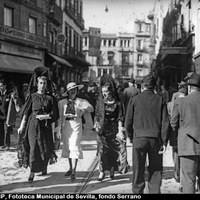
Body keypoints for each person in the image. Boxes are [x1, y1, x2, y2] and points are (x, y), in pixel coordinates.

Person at [125, 74, 170, 194]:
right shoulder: (160, 100)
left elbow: (128, 122)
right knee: (155, 170)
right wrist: (164, 141)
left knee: (138, 169)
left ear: (142, 86)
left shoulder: (134, 100)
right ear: (154, 86)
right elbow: (165, 123)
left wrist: (130, 137)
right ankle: (154, 191)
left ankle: (137, 192)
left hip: (139, 139)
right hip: (155, 140)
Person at [17, 66, 59, 182]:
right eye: (41, 83)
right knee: (33, 147)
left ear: (47, 84)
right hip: (33, 125)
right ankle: (32, 172)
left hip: (45, 126)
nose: (43, 85)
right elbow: (26, 112)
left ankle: (44, 167)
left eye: (45, 83)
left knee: (45, 147)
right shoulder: (32, 96)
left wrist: (52, 122)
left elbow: (54, 114)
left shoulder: (50, 98)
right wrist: (22, 125)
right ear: (37, 83)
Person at [94, 74, 128, 181]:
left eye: (106, 91)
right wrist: (96, 123)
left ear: (111, 91)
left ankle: (112, 169)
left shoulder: (117, 103)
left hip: (113, 129)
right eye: (102, 91)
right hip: (102, 130)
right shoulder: (100, 103)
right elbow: (97, 115)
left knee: (113, 152)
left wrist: (120, 130)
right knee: (101, 151)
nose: (104, 94)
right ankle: (101, 172)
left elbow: (120, 117)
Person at [57, 82, 94, 180]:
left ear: (77, 91)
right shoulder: (62, 103)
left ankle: (74, 170)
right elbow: (60, 116)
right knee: (68, 146)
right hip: (66, 125)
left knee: (75, 146)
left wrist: (84, 109)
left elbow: (91, 108)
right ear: (68, 92)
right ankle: (70, 168)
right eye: (71, 90)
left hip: (76, 124)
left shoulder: (81, 101)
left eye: (75, 89)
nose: (73, 91)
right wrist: (58, 128)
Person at [171, 73, 200, 193]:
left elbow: (173, 123)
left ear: (188, 87)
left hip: (187, 146)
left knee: (188, 180)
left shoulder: (180, 102)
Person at [167, 81, 187, 190]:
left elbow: (169, 121)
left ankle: (177, 173)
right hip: (185, 134)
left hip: (174, 133)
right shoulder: (187, 102)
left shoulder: (170, 105)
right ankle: (182, 174)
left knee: (175, 154)